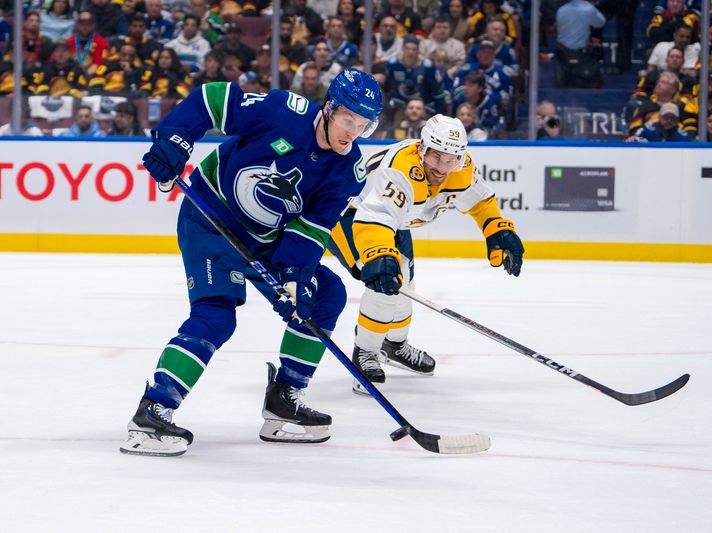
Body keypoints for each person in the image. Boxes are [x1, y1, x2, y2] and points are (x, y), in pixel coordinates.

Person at [121, 69, 383, 457]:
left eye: (364, 125)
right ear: (329, 107)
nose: (353, 133)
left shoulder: (348, 169)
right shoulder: (283, 112)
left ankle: (283, 401)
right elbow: (213, 99)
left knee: (325, 295)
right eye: (348, 120)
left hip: (266, 241)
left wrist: (294, 278)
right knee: (217, 315)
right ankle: (152, 412)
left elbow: (312, 227)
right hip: (210, 220)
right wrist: (176, 138)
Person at [327, 114, 524, 395]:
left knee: (405, 285)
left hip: (396, 219)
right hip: (350, 212)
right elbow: (375, 217)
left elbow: (480, 200)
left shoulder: (461, 167)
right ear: (423, 149)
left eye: (450, 159)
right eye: (436, 157)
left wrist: (497, 229)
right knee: (386, 284)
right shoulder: (402, 169)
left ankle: (394, 346)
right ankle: (366, 353)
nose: (442, 168)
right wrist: (377, 255)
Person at [626, 102, 690, 142]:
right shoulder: (648, 128)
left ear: (677, 120)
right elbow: (634, 139)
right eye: (666, 117)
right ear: (659, 117)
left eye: (673, 118)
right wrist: (633, 139)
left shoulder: (683, 136)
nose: (669, 120)